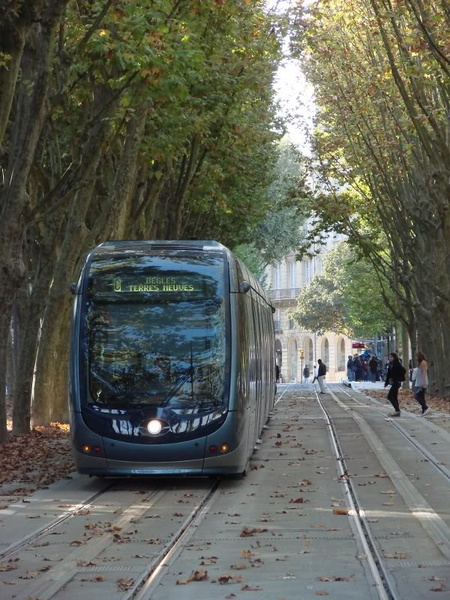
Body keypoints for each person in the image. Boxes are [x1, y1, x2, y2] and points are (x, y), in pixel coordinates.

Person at [384, 352, 406, 416]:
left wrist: (399, 378)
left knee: (390, 396)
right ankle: (397, 411)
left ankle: (397, 410)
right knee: (394, 396)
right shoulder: (391, 364)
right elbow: (389, 374)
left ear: (394, 357)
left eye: (391, 357)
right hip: (394, 382)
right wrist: (386, 382)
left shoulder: (397, 364)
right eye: (389, 357)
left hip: (396, 382)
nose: (390, 358)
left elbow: (403, 370)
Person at [414, 350, 430, 416]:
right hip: (419, 381)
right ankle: (424, 410)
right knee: (421, 396)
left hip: (422, 382)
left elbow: (424, 373)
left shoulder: (423, 362)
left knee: (417, 396)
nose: (416, 358)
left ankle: (426, 407)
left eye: (416, 356)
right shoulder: (420, 363)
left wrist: (422, 382)